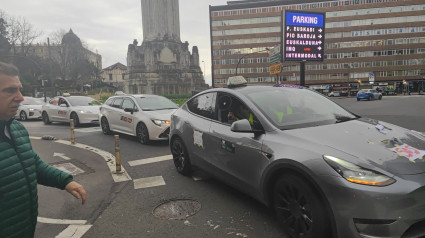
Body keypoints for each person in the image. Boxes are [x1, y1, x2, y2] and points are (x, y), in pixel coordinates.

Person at [0, 62, 87, 237]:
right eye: (10, 90)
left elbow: (32, 163)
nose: (20, 97)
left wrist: (64, 181)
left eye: (19, 89)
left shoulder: (16, 128)